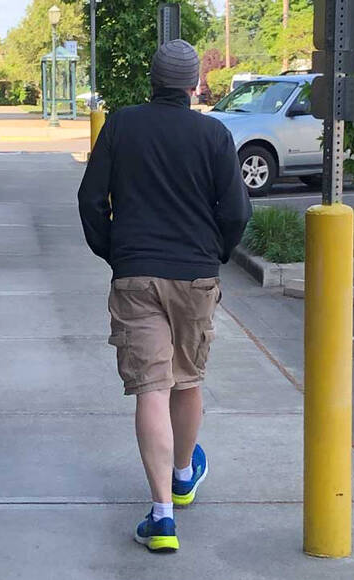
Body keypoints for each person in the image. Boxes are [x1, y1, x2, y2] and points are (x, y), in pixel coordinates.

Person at [77, 39, 252, 553]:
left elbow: (91, 198)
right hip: (195, 275)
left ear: (152, 82)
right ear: (195, 85)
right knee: (187, 380)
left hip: (136, 274)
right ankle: (182, 474)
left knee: (150, 388)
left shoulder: (122, 126)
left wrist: (115, 252)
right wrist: (213, 253)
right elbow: (237, 211)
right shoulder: (214, 134)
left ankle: (161, 518)